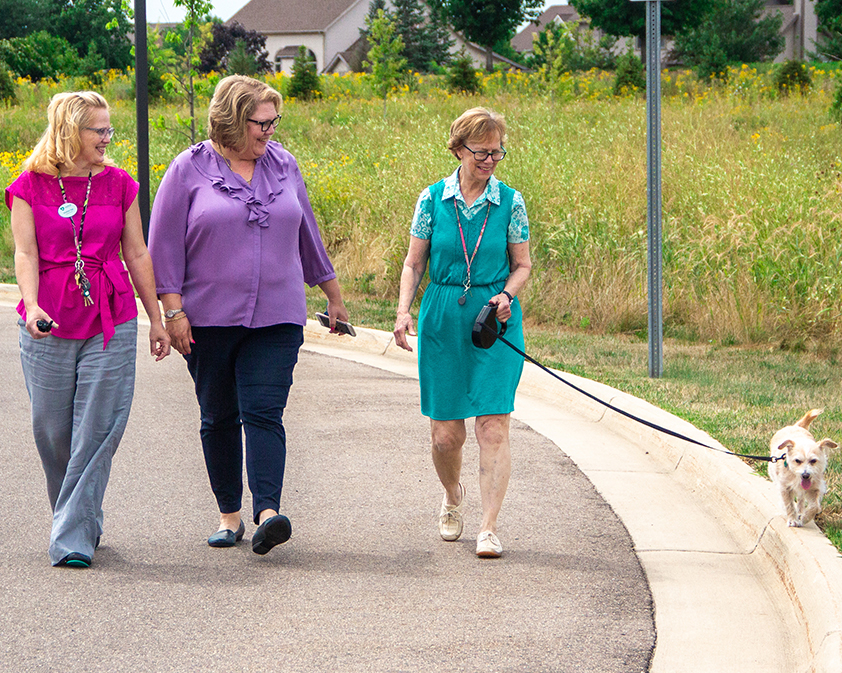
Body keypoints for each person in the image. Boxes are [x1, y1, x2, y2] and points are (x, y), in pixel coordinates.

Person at [148, 75, 350, 556]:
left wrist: (333, 295)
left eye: (273, 121)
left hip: (277, 315)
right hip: (207, 318)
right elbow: (164, 245)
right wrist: (172, 311)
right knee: (218, 416)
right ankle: (229, 516)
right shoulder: (188, 169)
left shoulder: (284, 165)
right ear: (232, 120)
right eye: (261, 123)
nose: (270, 131)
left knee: (264, 411)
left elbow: (308, 235)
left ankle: (267, 513)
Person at [6, 91, 171, 568]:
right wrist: (33, 304)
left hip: (110, 318)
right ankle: (79, 517)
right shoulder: (29, 187)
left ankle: (72, 537)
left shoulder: (120, 184)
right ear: (68, 131)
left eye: (109, 129)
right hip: (49, 322)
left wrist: (155, 318)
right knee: (53, 432)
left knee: (99, 429)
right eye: (98, 130)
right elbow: (26, 254)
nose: (107, 138)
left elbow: (137, 253)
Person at [393, 107, 532, 558]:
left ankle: (489, 528)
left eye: (497, 152)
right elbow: (414, 263)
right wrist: (402, 311)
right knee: (445, 436)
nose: (490, 160)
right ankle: (453, 495)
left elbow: (523, 264)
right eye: (481, 152)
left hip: (494, 323)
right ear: (457, 149)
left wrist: (507, 294)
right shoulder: (432, 199)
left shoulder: (511, 202)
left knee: (493, 426)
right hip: (442, 320)